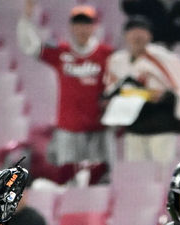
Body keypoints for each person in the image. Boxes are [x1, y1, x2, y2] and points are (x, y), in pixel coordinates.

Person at [17, 2, 112, 170]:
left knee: (98, 177)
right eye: (78, 24)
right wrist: (27, 16)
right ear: (71, 27)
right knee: (69, 178)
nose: (82, 29)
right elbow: (29, 46)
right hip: (68, 129)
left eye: (87, 24)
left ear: (95, 27)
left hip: (99, 130)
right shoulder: (61, 51)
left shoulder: (107, 54)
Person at [104, 16, 180, 162]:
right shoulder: (116, 61)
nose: (137, 37)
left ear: (150, 35)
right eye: (132, 32)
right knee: (136, 175)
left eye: (141, 32)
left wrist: (164, 96)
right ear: (125, 36)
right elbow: (110, 92)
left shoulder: (166, 59)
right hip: (134, 129)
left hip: (160, 128)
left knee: (163, 174)